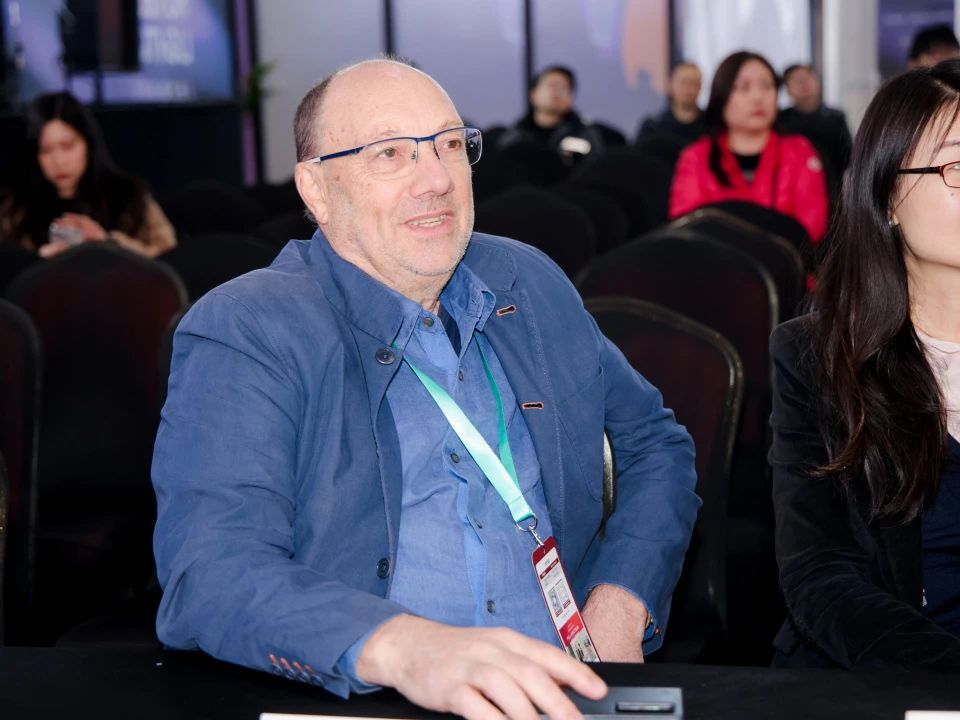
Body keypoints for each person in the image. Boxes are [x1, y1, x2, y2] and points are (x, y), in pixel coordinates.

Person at [152, 57, 699, 719]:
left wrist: (622, 597)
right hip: (377, 693)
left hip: (564, 688)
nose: (436, 179)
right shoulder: (250, 328)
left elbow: (656, 445)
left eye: (449, 145)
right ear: (316, 189)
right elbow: (210, 571)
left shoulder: (529, 283)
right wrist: (405, 648)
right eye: (390, 154)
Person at [768, 58, 960, 671]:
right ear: (888, 195)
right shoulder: (817, 359)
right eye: (957, 167)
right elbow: (821, 574)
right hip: (885, 675)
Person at [668, 51, 829, 245]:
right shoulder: (695, 157)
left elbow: (813, 225)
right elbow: (686, 228)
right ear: (721, 96)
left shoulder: (800, 151)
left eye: (767, 86)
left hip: (786, 261)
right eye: (743, 87)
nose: (757, 97)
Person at [0, 91, 176, 258]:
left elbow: (168, 257)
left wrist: (107, 245)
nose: (59, 161)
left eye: (68, 146)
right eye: (45, 150)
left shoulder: (129, 197)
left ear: (88, 143)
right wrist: (37, 264)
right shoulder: (15, 208)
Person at [497, 65, 626, 169]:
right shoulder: (513, 137)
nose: (557, 92)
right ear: (533, 95)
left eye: (565, 88)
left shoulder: (587, 135)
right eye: (552, 86)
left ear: (571, 98)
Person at [778, 63, 852, 194]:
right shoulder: (780, 121)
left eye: (808, 77)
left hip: (831, 191)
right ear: (788, 89)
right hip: (790, 192)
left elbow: (848, 158)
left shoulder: (835, 118)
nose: (804, 84)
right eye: (797, 80)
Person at [636, 62, 706, 147]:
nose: (688, 88)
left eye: (693, 83)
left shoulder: (711, 127)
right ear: (671, 84)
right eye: (684, 82)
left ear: (700, 87)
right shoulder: (653, 127)